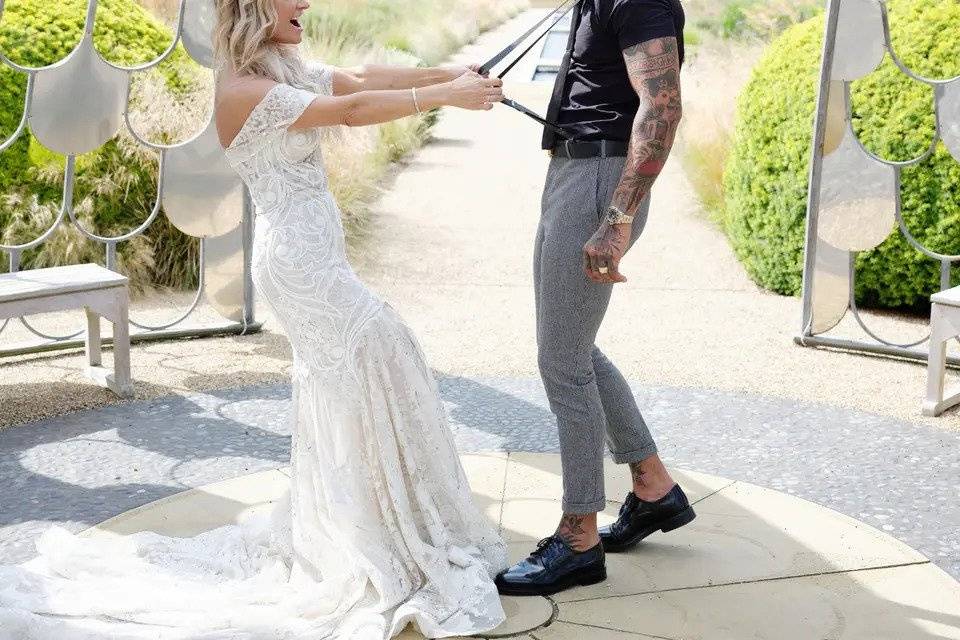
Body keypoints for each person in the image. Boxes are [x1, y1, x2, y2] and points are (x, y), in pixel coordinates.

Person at [0, 1, 510, 638]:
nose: (304, 4)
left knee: (353, 384)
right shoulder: (243, 90)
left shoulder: (279, 67)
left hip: (317, 258)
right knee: (384, 349)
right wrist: (448, 98)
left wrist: (447, 72)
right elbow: (350, 112)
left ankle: (366, 526)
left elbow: (355, 81)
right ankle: (377, 535)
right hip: (301, 268)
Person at [495, 0, 693, 597]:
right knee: (573, 348)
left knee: (562, 362)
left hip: (602, 181)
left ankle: (579, 537)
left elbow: (662, 106)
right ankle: (653, 488)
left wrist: (617, 216)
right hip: (575, 171)